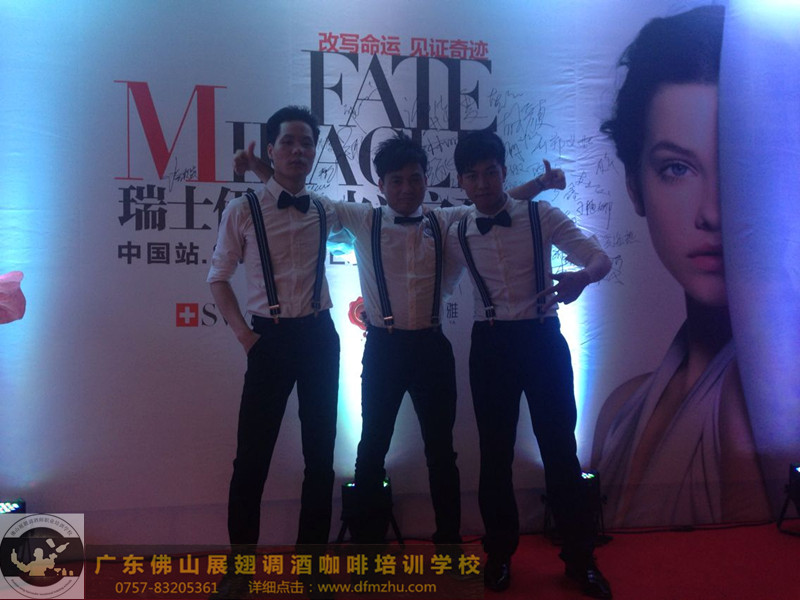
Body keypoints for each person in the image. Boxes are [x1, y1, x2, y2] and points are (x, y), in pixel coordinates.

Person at [235, 132, 564, 545]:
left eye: (414, 179)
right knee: (371, 449)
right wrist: (259, 167)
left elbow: (493, 201)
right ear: (381, 185)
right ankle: (368, 549)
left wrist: (540, 184)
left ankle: (449, 545)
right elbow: (299, 196)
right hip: (383, 349)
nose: (406, 188)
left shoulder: (443, 221)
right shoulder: (363, 219)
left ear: (426, 180)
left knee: (442, 453)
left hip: (432, 349)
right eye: (396, 181)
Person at [591, 5, 770, 528]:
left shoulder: (760, 406)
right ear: (635, 187)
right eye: (677, 168)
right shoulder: (620, 411)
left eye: (740, 164)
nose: (713, 212)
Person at [445, 130, 612, 598]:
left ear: (504, 171)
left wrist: (582, 278)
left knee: (560, 451)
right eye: (472, 176)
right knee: (494, 454)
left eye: (491, 172)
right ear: (461, 181)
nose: (483, 183)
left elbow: (600, 258)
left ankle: (580, 560)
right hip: (490, 344)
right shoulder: (456, 227)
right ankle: (499, 555)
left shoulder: (543, 216)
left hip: (542, 340)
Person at [207, 106, 341, 563]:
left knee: (320, 458)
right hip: (269, 339)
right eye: (288, 142)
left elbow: (288, 187)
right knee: (251, 459)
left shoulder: (323, 208)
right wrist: (245, 337)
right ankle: (240, 568)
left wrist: (260, 168)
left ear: (314, 151)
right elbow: (217, 278)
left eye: (306, 143)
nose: (298, 150)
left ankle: (311, 566)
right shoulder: (242, 209)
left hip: (320, 338)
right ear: (271, 148)